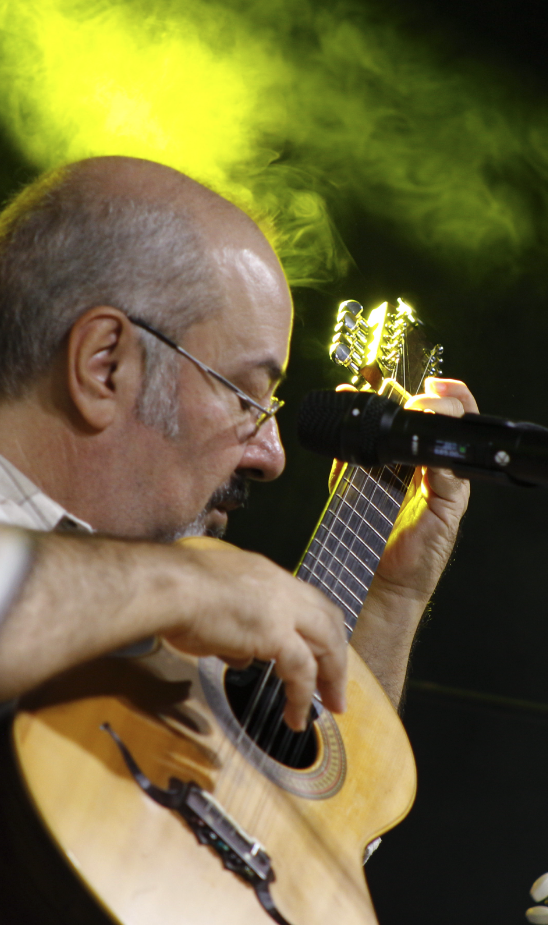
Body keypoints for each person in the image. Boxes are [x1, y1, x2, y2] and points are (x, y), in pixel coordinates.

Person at [0, 155, 477, 727]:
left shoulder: (153, 629)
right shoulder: (177, 596)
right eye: (245, 397)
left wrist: (390, 598)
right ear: (106, 366)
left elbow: (296, 784)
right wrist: (188, 584)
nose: (273, 457)